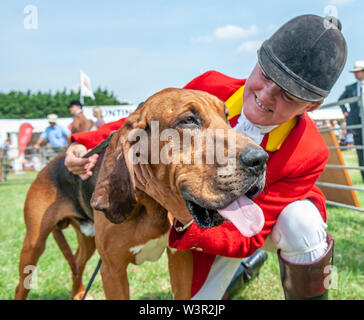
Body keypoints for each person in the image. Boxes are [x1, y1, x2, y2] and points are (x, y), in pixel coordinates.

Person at [64, 15, 347, 300]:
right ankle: (241, 273)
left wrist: (184, 215)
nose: (266, 95)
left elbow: (248, 236)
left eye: (288, 95)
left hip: (252, 228)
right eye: (265, 75)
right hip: (209, 218)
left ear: (311, 105)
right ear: (257, 60)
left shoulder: (311, 152)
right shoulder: (210, 85)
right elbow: (151, 115)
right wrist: (85, 144)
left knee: (303, 224)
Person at [339, 61, 364, 180]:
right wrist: (345, 111)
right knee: (360, 152)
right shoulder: (350, 88)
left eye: (357, 72)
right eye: (354, 72)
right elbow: (340, 100)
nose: (355, 74)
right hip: (356, 125)